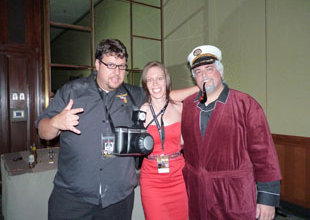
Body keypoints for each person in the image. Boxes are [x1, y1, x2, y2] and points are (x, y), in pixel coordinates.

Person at [36, 38, 197, 220]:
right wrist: (56, 122)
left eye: (122, 66)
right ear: (97, 64)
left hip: (117, 200)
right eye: (111, 65)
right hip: (74, 198)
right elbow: (43, 130)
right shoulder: (72, 91)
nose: (117, 72)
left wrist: (199, 87)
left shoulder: (133, 94)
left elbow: (164, 96)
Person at [181, 45, 282, 220]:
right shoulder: (188, 106)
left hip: (234, 196)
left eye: (209, 69)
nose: (204, 75)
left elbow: (265, 155)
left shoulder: (245, 104)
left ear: (220, 71)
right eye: (198, 71)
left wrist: (267, 199)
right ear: (194, 78)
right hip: (198, 196)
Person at [139, 61, 189, 220]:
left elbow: (187, 142)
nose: (155, 84)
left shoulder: (180, 108)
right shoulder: (142, 111)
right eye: (150, 80)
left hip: (179, 177)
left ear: (166, 81)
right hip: (152, 179)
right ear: (145, 84)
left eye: (159, 78)